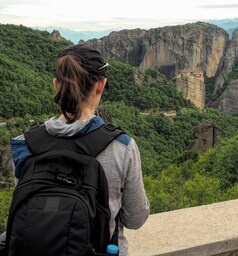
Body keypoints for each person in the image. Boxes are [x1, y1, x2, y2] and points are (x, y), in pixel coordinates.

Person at [10, 44, 150, 256]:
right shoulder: (122, 147)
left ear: (56, 85)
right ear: (101, 86)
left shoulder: (24, 144)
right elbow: (135, 219)